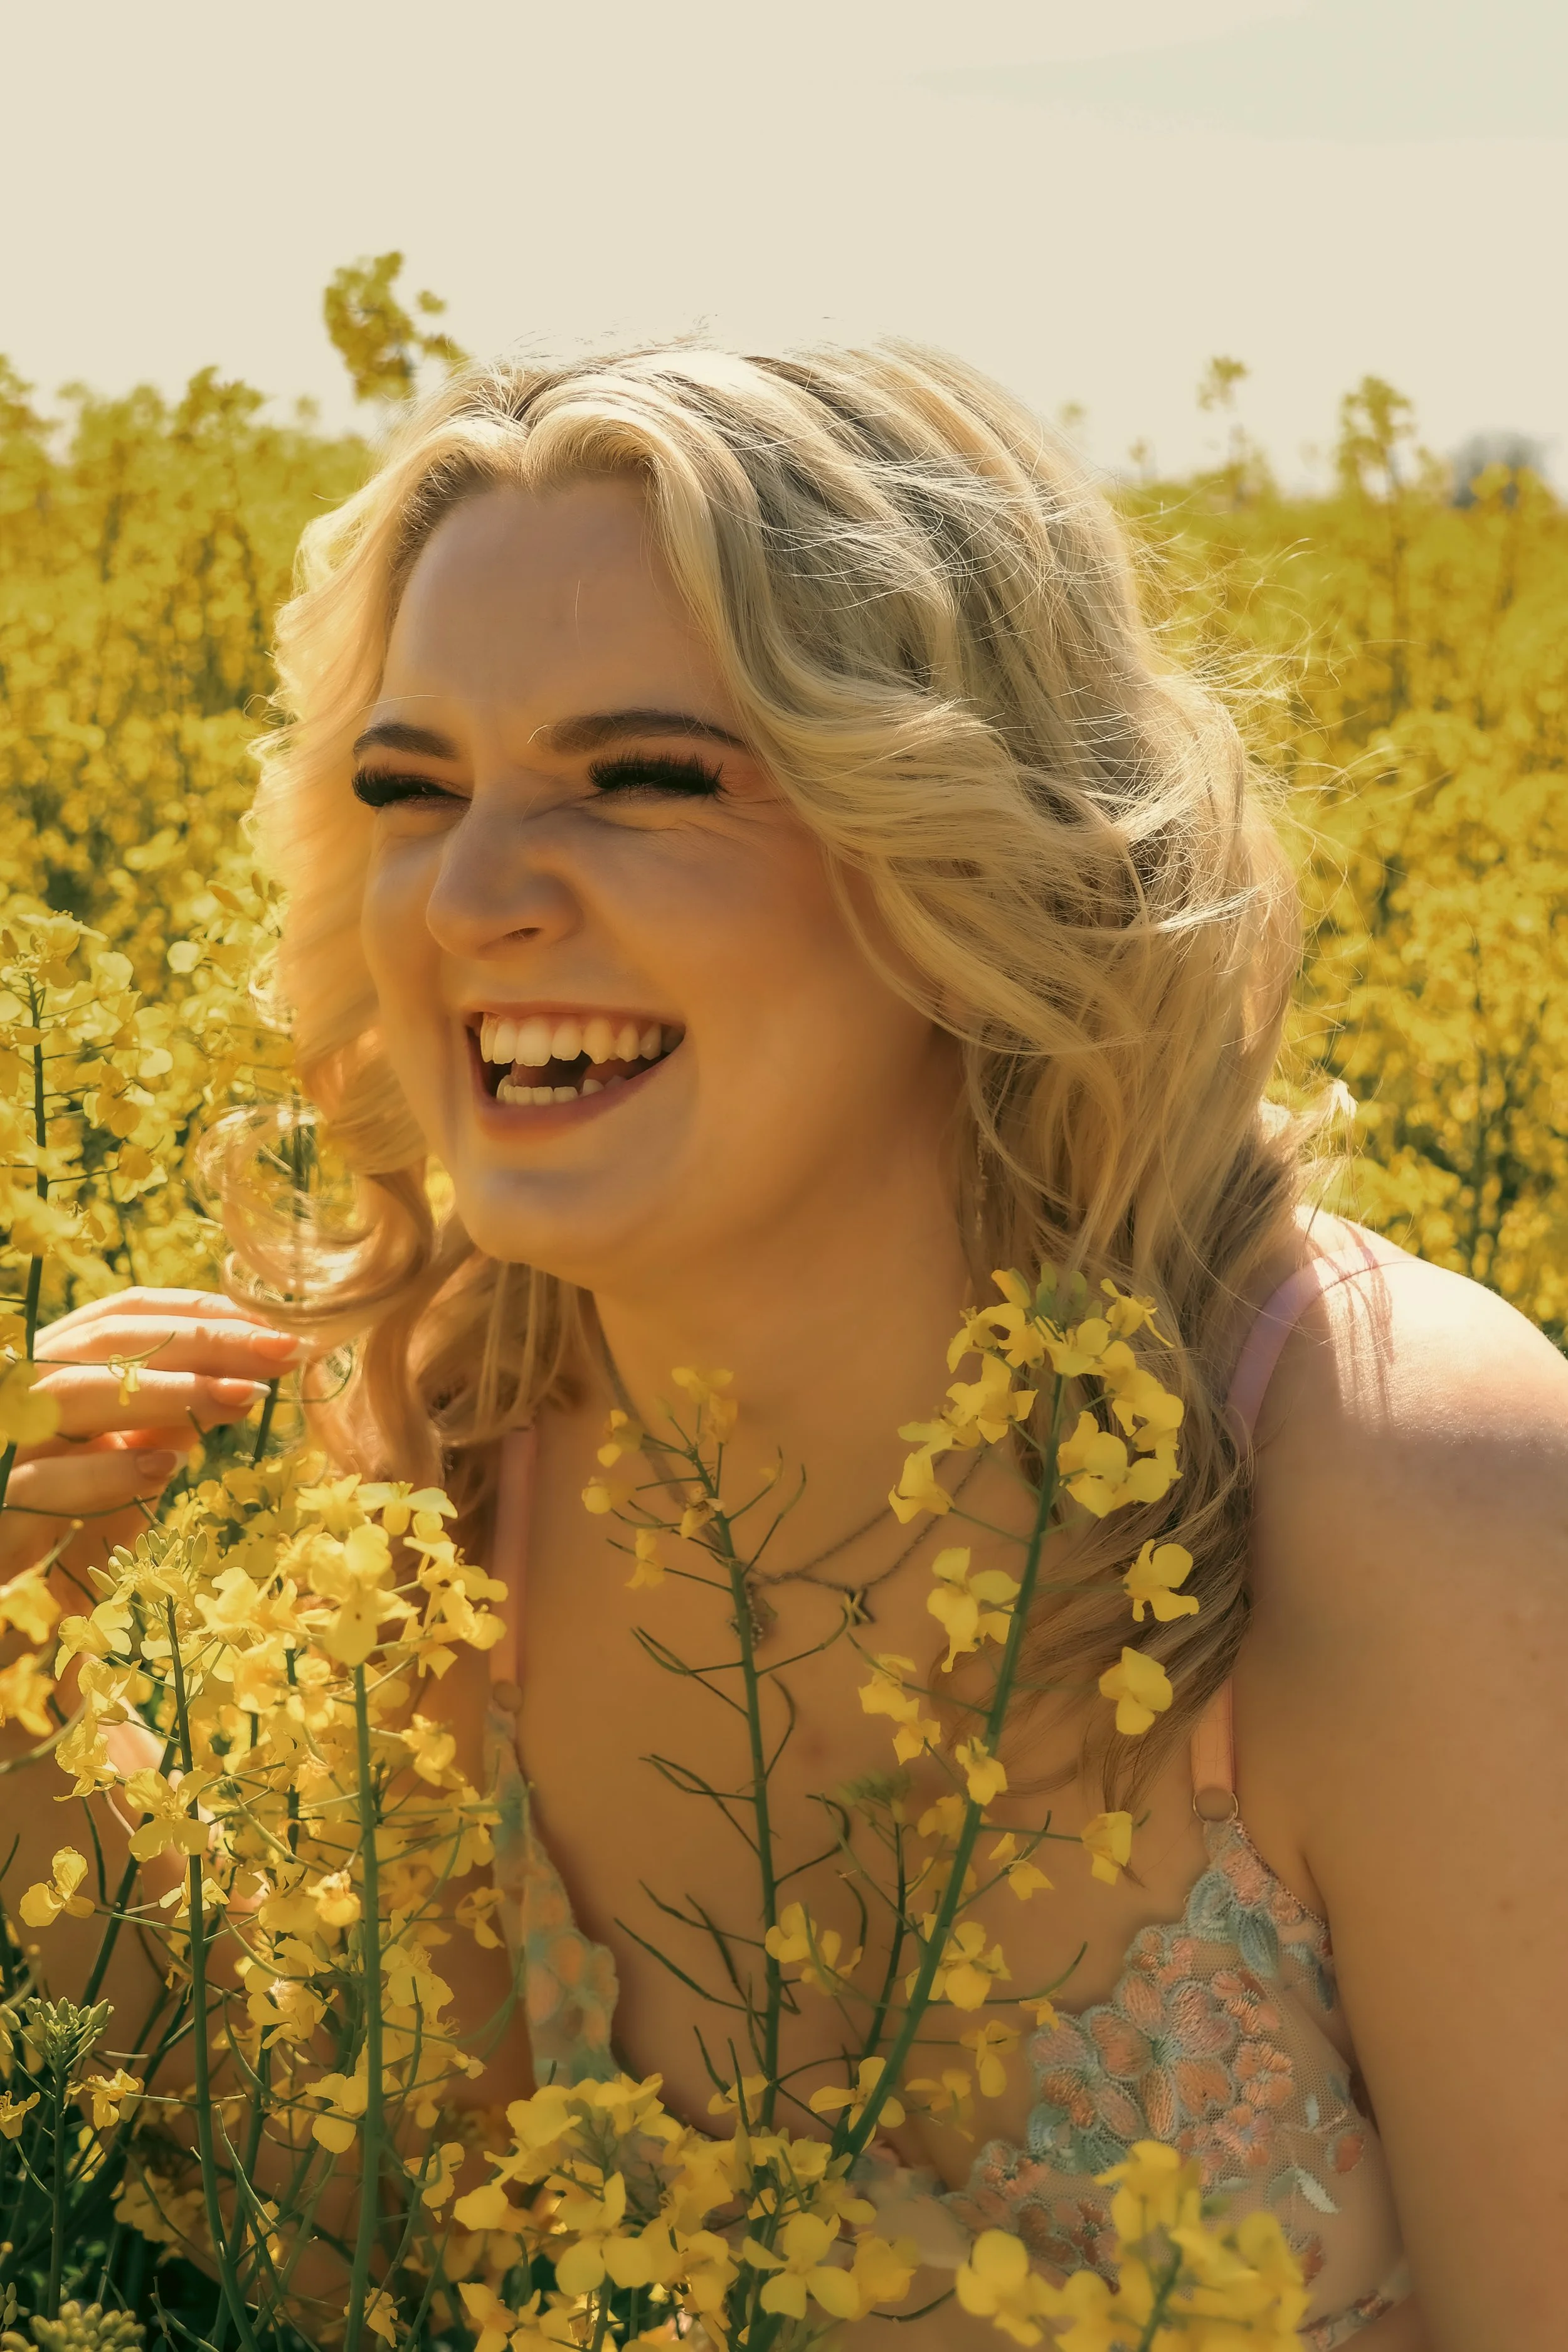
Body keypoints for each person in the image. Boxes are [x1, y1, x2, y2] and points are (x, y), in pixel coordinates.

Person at [8, 345, 1565, 2351]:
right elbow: (394, 2252)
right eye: (411, 792)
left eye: (641, 779)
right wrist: (25, 1714)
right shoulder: (443, 1429)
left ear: (959, 849)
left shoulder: (1415, 1489)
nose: (471, 894)